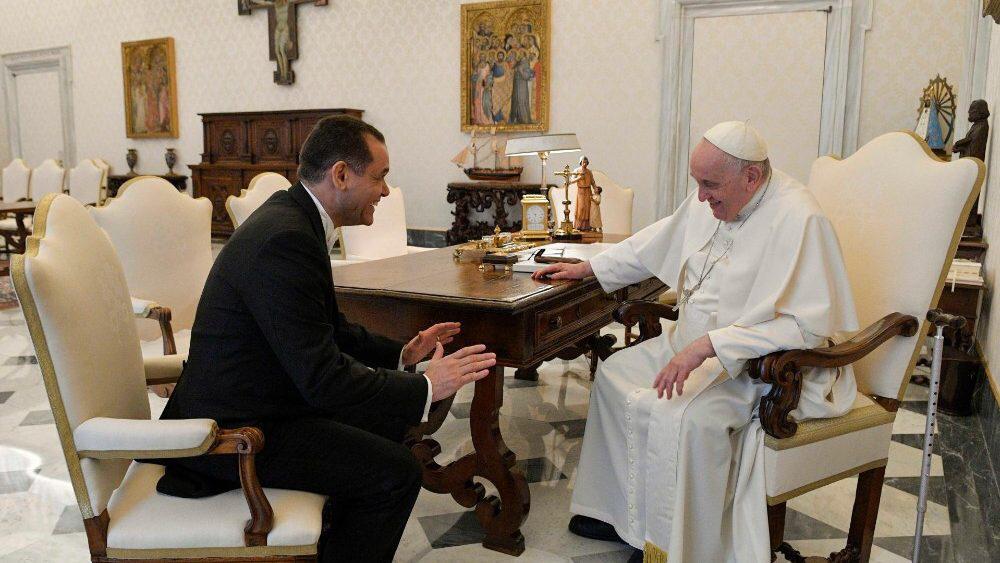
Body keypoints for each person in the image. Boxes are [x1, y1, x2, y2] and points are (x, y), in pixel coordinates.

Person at [158, 116, 497, 562]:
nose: (385, 191)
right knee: (395, 473)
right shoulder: (285, 237)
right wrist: (428, 385)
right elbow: (323, 379)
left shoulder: (295, 218)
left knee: (387, 423)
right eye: (379, 177)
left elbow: (331, 328)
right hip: (233, 432)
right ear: (341, 175)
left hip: (266, 400)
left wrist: (402, 353)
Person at [533, 121, 858, 563]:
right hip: (686, 345)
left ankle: (668, 545)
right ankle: (617, 513)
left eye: (710, 185)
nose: (701, 197)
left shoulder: (801, 219)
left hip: (755, 368)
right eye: (698, 183)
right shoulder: (714, 197)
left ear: (751, 177)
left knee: (683, 416)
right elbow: (656, 240)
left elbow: (807, 329)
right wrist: (590, 268)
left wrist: (710, 346)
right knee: (613, 375)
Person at [571, 156, 596, 230]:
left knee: (588, 208)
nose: (584, 164)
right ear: (580, 162)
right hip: (581, 191)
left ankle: (587, 226)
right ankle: (579, 225)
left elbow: (592, 181)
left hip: (588, 190)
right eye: (583, 162)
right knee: (581, 208)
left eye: (586, 162)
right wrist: (579, 177)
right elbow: (572, 180)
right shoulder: (577, 170)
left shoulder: (589, 172)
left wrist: (595, 188)